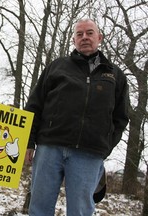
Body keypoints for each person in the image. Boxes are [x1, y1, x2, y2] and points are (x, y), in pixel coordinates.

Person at [24, 18, 129, 216]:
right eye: (79, 34)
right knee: (39, 207)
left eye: (89, 33)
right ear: (73, 40)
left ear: (100, 37)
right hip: (49, 148)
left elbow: (121, 118)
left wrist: (104, 147)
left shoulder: (115, 76)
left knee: (80, 211)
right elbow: (34, 105)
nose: (85, 38)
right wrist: (29, 141)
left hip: (89, 154)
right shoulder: (57, 67)